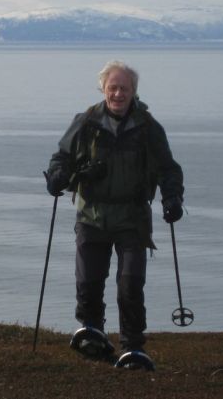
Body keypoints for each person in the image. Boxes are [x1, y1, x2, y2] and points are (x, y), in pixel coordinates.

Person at [45, 60, 184, 371]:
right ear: (103, 90)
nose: (118, 93)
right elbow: (62, 156)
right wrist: (57, 176)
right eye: (113, 88)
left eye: (124, 88)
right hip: (91, 214)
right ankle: (92, 330)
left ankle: (133, 348)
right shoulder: (85, 122)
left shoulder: (148, 127)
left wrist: (172, 198)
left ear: (134, 91)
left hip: (132, 217)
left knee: (130, 283)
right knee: (89, 281)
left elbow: (168, 168)